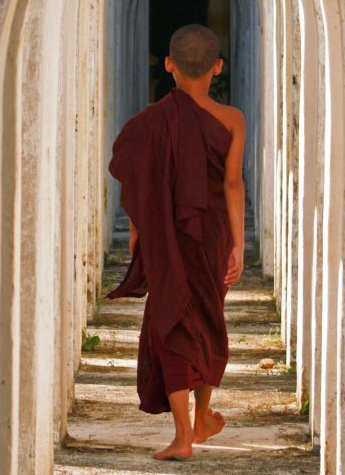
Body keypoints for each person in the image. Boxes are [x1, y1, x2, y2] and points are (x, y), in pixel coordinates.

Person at [103, 23, 246, 460]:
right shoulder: (232, 119)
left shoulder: (148, 124)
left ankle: (186, 433)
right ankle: (199, 416)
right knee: (205, 320)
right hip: (214, 236)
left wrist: (139, 234)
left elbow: (141, 185)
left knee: (171, 323)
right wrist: (238, 244)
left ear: (169, 66)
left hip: (168, 237)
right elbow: (233, 184)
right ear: (218, 67)